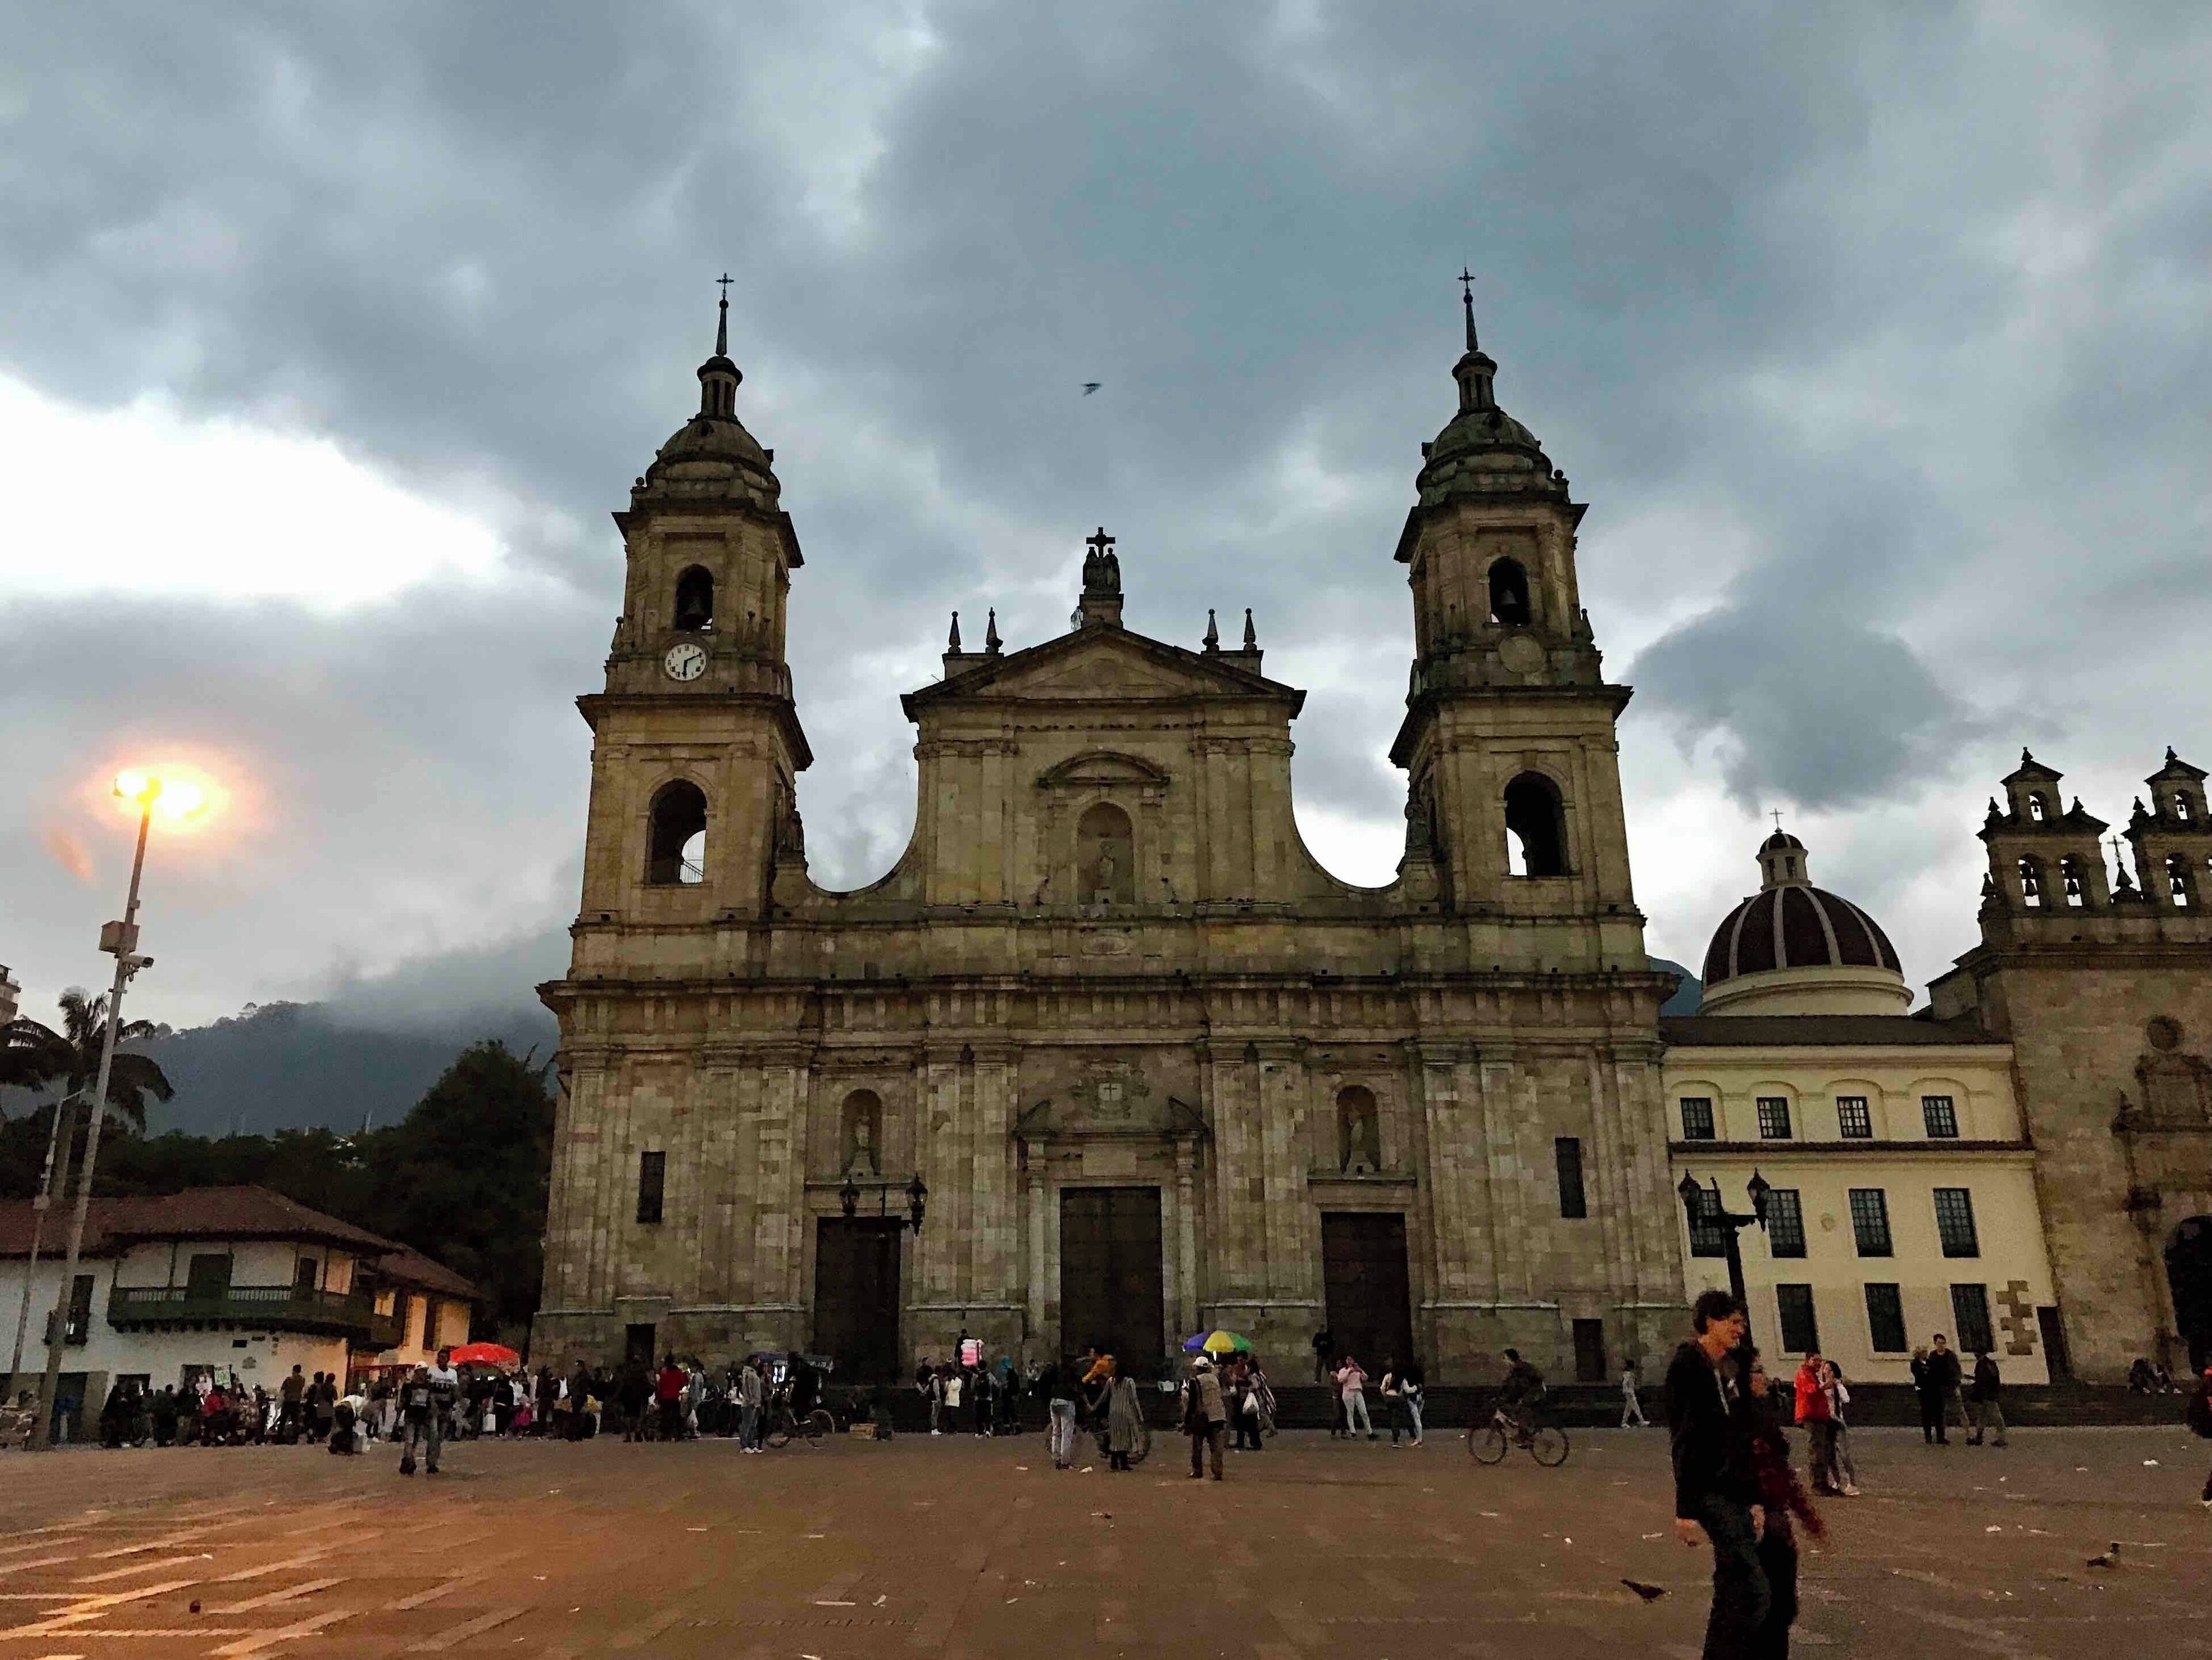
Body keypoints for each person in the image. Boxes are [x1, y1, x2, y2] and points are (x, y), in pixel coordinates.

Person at [1665, 1289, 1767, 1660]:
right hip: (1709, 1491)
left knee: (1732, 1587)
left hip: (1731, 1489)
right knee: (1754, 1590)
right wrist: (1685, 1512)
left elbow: (1740, 1438)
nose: (1741, 1330)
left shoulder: (1725, 1368)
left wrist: (1754, 1499)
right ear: (1711, 1321)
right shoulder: (1687, 1367)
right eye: (1734, 1322)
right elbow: (1685, 1440)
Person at [1745, 1350, 1823, 1658]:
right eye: (1758, 1372)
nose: (1765, 1377)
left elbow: (1784, 1476)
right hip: (1760, 1526)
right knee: (1769, 1607)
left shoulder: (1762, 1417)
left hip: (1774, 1524)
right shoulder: (1742, 1423)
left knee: (1778, 1607)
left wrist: (1807, 1516)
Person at [1792, 1351, 1839, 1496]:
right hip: (1811, 1416)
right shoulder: (1804, 1373)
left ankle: (1823, 1483)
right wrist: (1826, 1385)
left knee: (1823, 1450)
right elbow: (1811, 1389)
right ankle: (1818, 1485)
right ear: (1808, 1360)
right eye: (1815, 1360)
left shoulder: (1812, 1374)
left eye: (1820, 1361)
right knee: (1817, 1451)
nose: (1819, 1364)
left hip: (1819, 1417)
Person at [1182, 1355, 1228, 1481]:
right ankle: (1218, 1472)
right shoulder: (1215, 1379)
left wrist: (1187, 1422)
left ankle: (1198, 1471)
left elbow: (1192, 1403)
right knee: (1216, 1447)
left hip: (1203, 1418)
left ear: (1197, 1368)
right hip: (1218, 1416)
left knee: (1197, 1446)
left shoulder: (1195, 1381)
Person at [1821, 1360, 1862, 1496]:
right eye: (1825, 1369)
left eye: (1830, 1369)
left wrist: (1839, 1385)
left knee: (1844, 1454)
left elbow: (1846, 1399)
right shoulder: (1821, 1386)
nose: (1826, 1372)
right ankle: (1836, 1480)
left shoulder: (1838, 1387)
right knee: (1829, 1454)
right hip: (1826, 1421)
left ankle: (1852, 1482)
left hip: (1837, 1421)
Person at [1104, 1359, 1143, 1472]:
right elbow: (1134, 1399)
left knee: (1115, 1438)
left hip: (1113, 1413)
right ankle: (1124, 1464)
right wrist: (1140, 1415)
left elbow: (1104, 1397)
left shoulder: (1110, 1381)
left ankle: (1114, 1463)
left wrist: (1092, 1407)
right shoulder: (1129, 1382)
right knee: (1124, 1439)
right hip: (1125, 1413)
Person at [1498, 1349, 1546, 1442]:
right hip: (1532, 1391)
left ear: (1510, 1359)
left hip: (1535, 1392)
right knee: (1516, 1407)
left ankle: (1525, 1434)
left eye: (1505, 1358)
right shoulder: (1517, 1368)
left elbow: (1515, 1385)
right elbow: (1509, 1385)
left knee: (1519, 1408)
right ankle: (1524, 1433)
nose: (1504, 1361)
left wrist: (1505, 1397)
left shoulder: (1519, 1369)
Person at [1966, 1349, 2008, 1447]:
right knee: (1982, 1416)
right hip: (1985, 1395)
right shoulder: (1985, 1364)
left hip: (1988, 1395)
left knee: (1995, 1416)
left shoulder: (1986, 1365)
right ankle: (1979, 1437)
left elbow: (1988, 1380)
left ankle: (2001, 1438)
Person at [1040, 1360, 1077, 1469]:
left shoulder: (1055, 1374)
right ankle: (1065, 1461)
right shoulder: (1071, 1375)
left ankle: (1056, 1458)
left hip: (1054, 1401)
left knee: (1056, 1431)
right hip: (1067, 1402)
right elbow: (1077, 1389)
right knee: (1067, 1432)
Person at [1927, 1334, 1964, 1444]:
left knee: (1960, 1410)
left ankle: (1968, 1432)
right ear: (1935, 1343)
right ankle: (1940, 1436)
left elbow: (1956, 1370)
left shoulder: (1950, 1355)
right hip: (1937, 1388)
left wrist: (1956, 1384)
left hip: (1950, 1387)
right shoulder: (1933, 1356)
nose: (1942, 1345)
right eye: (1939, 1343)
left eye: (1943, 1343)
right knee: (1940, 1413)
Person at [1382, 1357, 1424, 1446]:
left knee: (1393, 1418)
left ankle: (1396, 1437)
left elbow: (1382, 1388)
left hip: (1388, 1397)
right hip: (1397, 1398)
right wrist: (1417, 1387)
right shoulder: (1402, 1379)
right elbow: (1408, 1390)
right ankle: (1399, 1439)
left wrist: (1385, 1395)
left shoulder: (1388, 1376)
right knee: (1399, 1418)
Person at [1910, 1346, 1944, 1445]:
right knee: (1926, 1416)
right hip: (1923, 1392)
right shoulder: (1915, 1364)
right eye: (1924, 1352)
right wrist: (1919, 1390)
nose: (1926, 1354)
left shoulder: (1931, 1362)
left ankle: (1940, 1437)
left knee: (1939, 1415)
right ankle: (1928, 1437)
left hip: (1935, 1391)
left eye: (1926, 1352)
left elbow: (1936, 1374)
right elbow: (1919, 1376)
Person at [1335, 1354, 1375, 1439]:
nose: (1350, 1362)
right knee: (1350, 1412)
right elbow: (1340, 1380)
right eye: (1348, 1360)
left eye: (1351, 1360)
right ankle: (1353, 1432)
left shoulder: (1357, 1370)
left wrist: (1360, 1371)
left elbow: (1365, 1378)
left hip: (1358, 1391)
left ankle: (1370, 1432)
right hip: (1348, 1392)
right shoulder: (1343, 1370)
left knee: (1364, 1412)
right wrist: (1349, 1372)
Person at [656, 1353, 687, 1442]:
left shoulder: (663, 1372)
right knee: (676, 1416)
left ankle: (665, 1435)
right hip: (674, 1397)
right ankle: (678, 1434)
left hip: (664, 1397)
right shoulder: (678, 1372)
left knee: (665, 1417)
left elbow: (660, 1385)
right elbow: (682, 1384)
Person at [1622, 1357, 1650, 1428]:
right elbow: (1625, 1384)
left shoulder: (1629, 1374)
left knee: (1628, 1409)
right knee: (1636, 1407)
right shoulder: (1628, 1374)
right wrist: (1628, 1392)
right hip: (1630, 1393)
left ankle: (1624, 1422)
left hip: (1630, 1392)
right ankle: (1641, 1420)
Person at [279, 1365, 306, 1442]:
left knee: (283, 1420)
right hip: (297, 1402)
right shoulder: (302, 1380)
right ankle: (295, 1438)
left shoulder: (289, 1380)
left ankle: (280, 1438)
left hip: (288, 1401)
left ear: (293, 1370)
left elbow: (283, 1390)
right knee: (295, 1421)